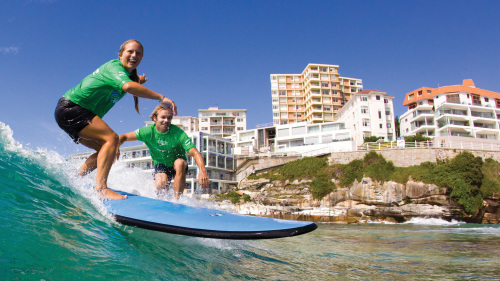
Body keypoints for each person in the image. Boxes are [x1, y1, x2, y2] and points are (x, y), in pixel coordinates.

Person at [54, 39, 177, 200]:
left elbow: (132, 82)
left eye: (138, 53)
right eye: (130, 52)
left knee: (106, 151)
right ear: (120, 55)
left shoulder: (127, 75)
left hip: (69, 112)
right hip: (73, 108)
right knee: (112, 139)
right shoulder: (114, 67)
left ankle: (75, 179)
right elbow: (128, 86)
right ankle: (101, 189)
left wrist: (139, 79)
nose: (134, 55)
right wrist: (161, 98)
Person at [119, 105, 209, 199]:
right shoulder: (148, 132)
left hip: (178, 165)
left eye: (169, 118)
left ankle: (177, 201)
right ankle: (158, 200)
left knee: (179, 163)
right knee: (160, 183)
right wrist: (117, 147)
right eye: (163, 117)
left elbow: (195, 153)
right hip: (161, 164)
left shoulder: (178, 133)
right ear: (155, 118)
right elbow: (123, 137)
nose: (166, 120)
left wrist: (202, 171)